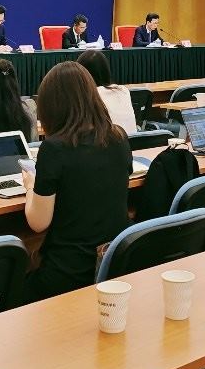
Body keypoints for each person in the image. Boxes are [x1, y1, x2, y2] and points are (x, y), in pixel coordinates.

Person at [21, 62, 131, 301]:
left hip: (67, 274)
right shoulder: (119, 137)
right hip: (112, 267)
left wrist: (30, 186)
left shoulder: (54, 149)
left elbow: (38, 223)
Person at [76, 48, 137, 135]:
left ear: (81, 74)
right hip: (132, 140)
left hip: (108, 142)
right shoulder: (123, 90)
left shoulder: (89, 95)